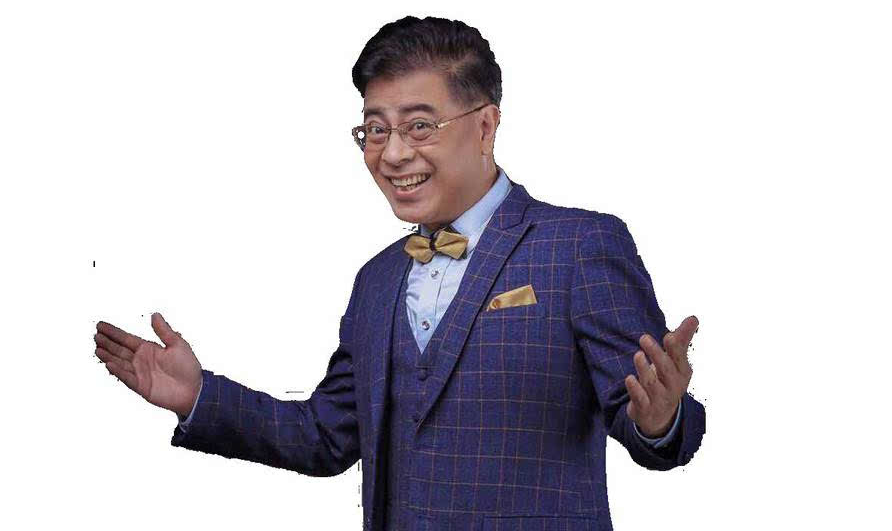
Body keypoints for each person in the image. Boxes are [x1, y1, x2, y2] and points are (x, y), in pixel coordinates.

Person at [94, 15, 704, 531]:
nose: (392, 153)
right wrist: (200, 397)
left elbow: (651, 419)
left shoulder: (579, 246)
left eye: (418, 126)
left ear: (485, 125)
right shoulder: (377, 280)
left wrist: (661, 419)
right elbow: (325, 436)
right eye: (375, 129)